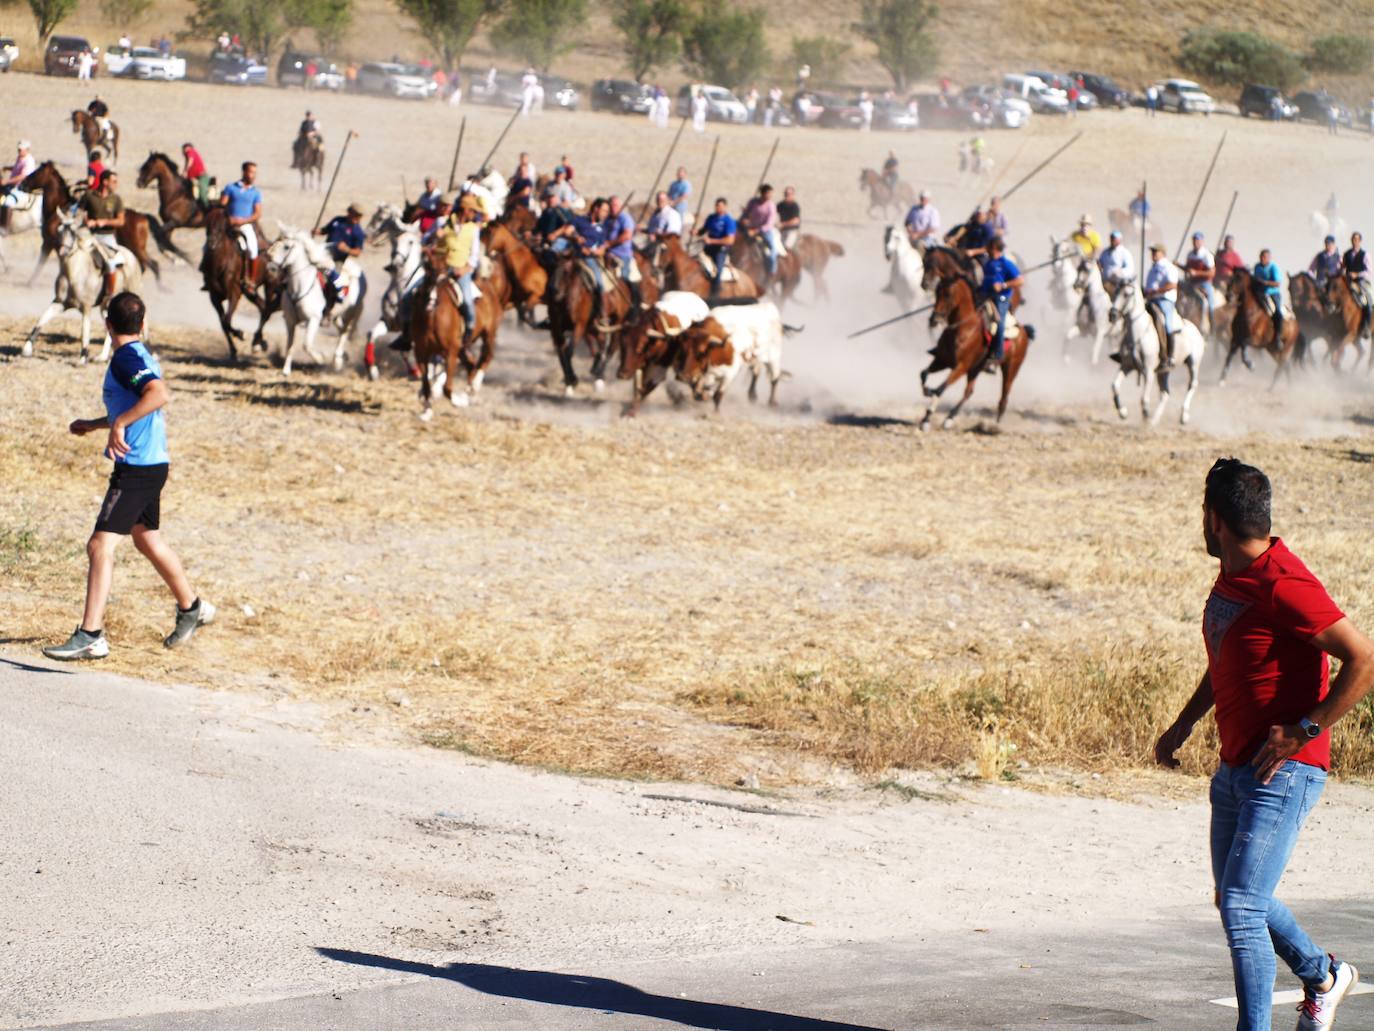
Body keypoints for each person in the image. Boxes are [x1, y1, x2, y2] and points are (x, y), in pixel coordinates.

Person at [1155, 457, 1373, 1031]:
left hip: (1287, 771)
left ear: (1213, 518)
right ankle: (1325, 977)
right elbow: (1228, 654)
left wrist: (1305, 728)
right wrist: (1185, 724)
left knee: (1244, 909)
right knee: (1236, 900)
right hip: (1236, 769)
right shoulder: (1233, 575)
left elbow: (1364, 659)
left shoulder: (1284, 582)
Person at [42, 292, 216, 661]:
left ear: (107, 325)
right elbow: (137, 404)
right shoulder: (139, 355)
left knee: (99, 545)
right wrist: (97, 424)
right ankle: (192, 607)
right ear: (143, 322)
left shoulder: (125, 358)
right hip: (149, 463)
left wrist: (119, 423)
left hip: (138, 468)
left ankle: (90, 634)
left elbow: (158, 395)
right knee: (146, 538)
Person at [431, 196, 481, 350]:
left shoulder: (473, 229)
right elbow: (431, 244)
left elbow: (474, 255)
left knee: (466, 300)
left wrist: (464, 269)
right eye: (472, 210)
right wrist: (435, 236)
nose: (474, 214)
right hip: (441, 268)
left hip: (460, 270)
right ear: (465, 210)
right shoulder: (444, 223)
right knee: (418, 292)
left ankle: (469, 331)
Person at [316, 202, 367, 313]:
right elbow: (325, 230)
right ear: (349, 212)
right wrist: (317, 231)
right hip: (325, 252)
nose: (358, 218)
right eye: (356, 215)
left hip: (338, 258)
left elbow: (358, 252)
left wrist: (347, 249)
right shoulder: (337, 220)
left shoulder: (358, 232)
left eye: (360, 216)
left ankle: (330, 305)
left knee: (333, 279)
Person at [979, 236, 1022, 363]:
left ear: (995, 248)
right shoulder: (988, 263)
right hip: (985, 296)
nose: (987, 250)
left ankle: (998, 354)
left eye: (989, 248)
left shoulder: (1006, 264)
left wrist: (1003, 285)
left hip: (1000, 299)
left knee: (999, 323)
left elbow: (1020, 281)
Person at [220, 161, 263, 285]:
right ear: (244, 172)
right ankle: (207, 274)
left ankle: (251, 280)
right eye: (251, 172)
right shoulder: (231, 187)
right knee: (210, 245)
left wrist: (242, 220)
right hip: (228, 224)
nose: (253, 175)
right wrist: (229, 217)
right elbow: (222, 204)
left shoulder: (255, 192)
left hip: (245, 225)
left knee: (252, 248)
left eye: (255, 173)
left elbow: (257, 213)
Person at [1143, 242, 1182, 369]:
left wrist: (1156, 291)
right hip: (1151, 300)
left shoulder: (1168, 267)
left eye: (1156, 251)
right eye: (1152, 252)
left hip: (1165, 300)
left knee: (1167, 324)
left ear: (1163, 253)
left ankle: (1170, 355)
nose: (1153, 254)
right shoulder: (1153, 268)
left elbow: (1172, 285)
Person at [572, 197, 611, 316]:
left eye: (607, 211)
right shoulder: (580, 220)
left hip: (590, 259)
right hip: (574, 255)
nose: (605, 214)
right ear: (596, 209)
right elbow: (568, 231)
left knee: (599, 283)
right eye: (604, 211)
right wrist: (575, 237)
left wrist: (595, 251)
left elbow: (602, 249)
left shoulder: (603, 228)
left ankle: (602, 313)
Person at [696, 197, 736, 296]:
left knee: (718, 271)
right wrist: (696, 232)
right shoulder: (711, 217)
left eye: (720, 206)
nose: (717, 208)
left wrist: (712, 240)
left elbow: (730, 240)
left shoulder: (729, 221)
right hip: (707, 247)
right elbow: (703, 230)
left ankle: (715, 293)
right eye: (716, 205)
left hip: (720, 249)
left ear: (725, 207)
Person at [742, 183, 781, 279]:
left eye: (771, 194)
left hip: (765, 231)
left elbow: (769, 223)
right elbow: (746, 213)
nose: (770, 196)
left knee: (772, 251)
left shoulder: (771, 206)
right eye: (768, 193)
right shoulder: (753, 202)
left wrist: (756, 231)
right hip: (750, 228)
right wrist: (744, 219)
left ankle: (772, 272)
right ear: (763, 193)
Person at [1252, 247, 1286, 340]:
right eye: (1261, 256)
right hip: (1259, 293)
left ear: (1269, 258)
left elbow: (1277, 283)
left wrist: (1265, 282)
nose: (1262, 258)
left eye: (1265, 257)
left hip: (1272, 294)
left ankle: (1278, 336)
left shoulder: (1273, 268)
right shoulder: (1257, 267)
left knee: (1278, 313)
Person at [1341, 231, 1372, 328]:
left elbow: (1370, 271)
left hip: (1361, 282)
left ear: (1360, 241)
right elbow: (1342, 268)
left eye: (1357, 239)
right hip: (1348, 282)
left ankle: (1367, 324)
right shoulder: (1346, 254)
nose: (1355, 241)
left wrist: (1357, 274)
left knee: (1368, 300)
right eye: (1354, 239)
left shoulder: (1365, 254)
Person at [1184, 230, 1217, 310]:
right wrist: (1178, 265)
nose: (1196, 242)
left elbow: (1212, 273)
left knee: (1210, 303)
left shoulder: (1206, 255)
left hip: (1204, 283)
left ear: (1202, 241)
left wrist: (1196, 273)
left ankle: (1211, 318)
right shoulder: (1190, 254)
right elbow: (1188, 269)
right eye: (1194, 240)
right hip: (1192, 283)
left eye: (1198, 240)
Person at [1098, 229, 1135, 293]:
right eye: (1111, 238)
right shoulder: (1105, 252)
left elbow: (1130, 268)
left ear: (1119, 240)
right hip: (1104, 283)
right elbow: (1100, 264)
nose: (1112, 240)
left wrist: (1120, 272)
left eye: (1114, 238)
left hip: (1117, 285)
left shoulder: (1124, 252)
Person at [180, 142, 209, 208]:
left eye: (184, 149)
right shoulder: (188, 156)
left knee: (202, 193)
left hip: (202, 176)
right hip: (193, 178)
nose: (184, 151)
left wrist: (185, 171)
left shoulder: (191, 152)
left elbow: (190, 161)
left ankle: (207, 207)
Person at [776, 186, 801, 251]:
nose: (787, 195)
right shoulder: (781, 205)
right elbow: (772, 212)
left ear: (793, 195)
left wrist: (783, 224)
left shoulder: (794, 206)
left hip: (792, 231)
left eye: (789, 194)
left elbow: (796, 220)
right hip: (782, 231)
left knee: (786, 247)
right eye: (785, 194)